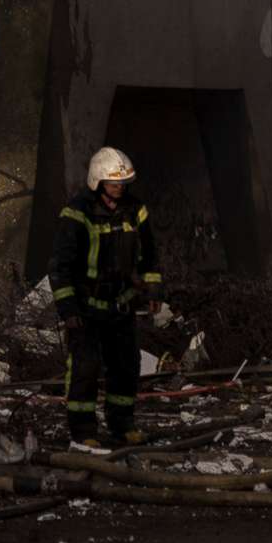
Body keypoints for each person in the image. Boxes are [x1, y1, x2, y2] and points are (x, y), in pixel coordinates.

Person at [50, 145, 161, 452]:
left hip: (121, 304)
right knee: (85, 369)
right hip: (86, 309)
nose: (120, 189)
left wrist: (152, 288)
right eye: (115, 184)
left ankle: (122, 425)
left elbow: (149, 255)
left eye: (124, 184)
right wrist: (68, 308)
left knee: (126, 366)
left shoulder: (135, 210)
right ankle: (83, 431)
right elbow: (60, 266)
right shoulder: (76, 213)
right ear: (97, 182)